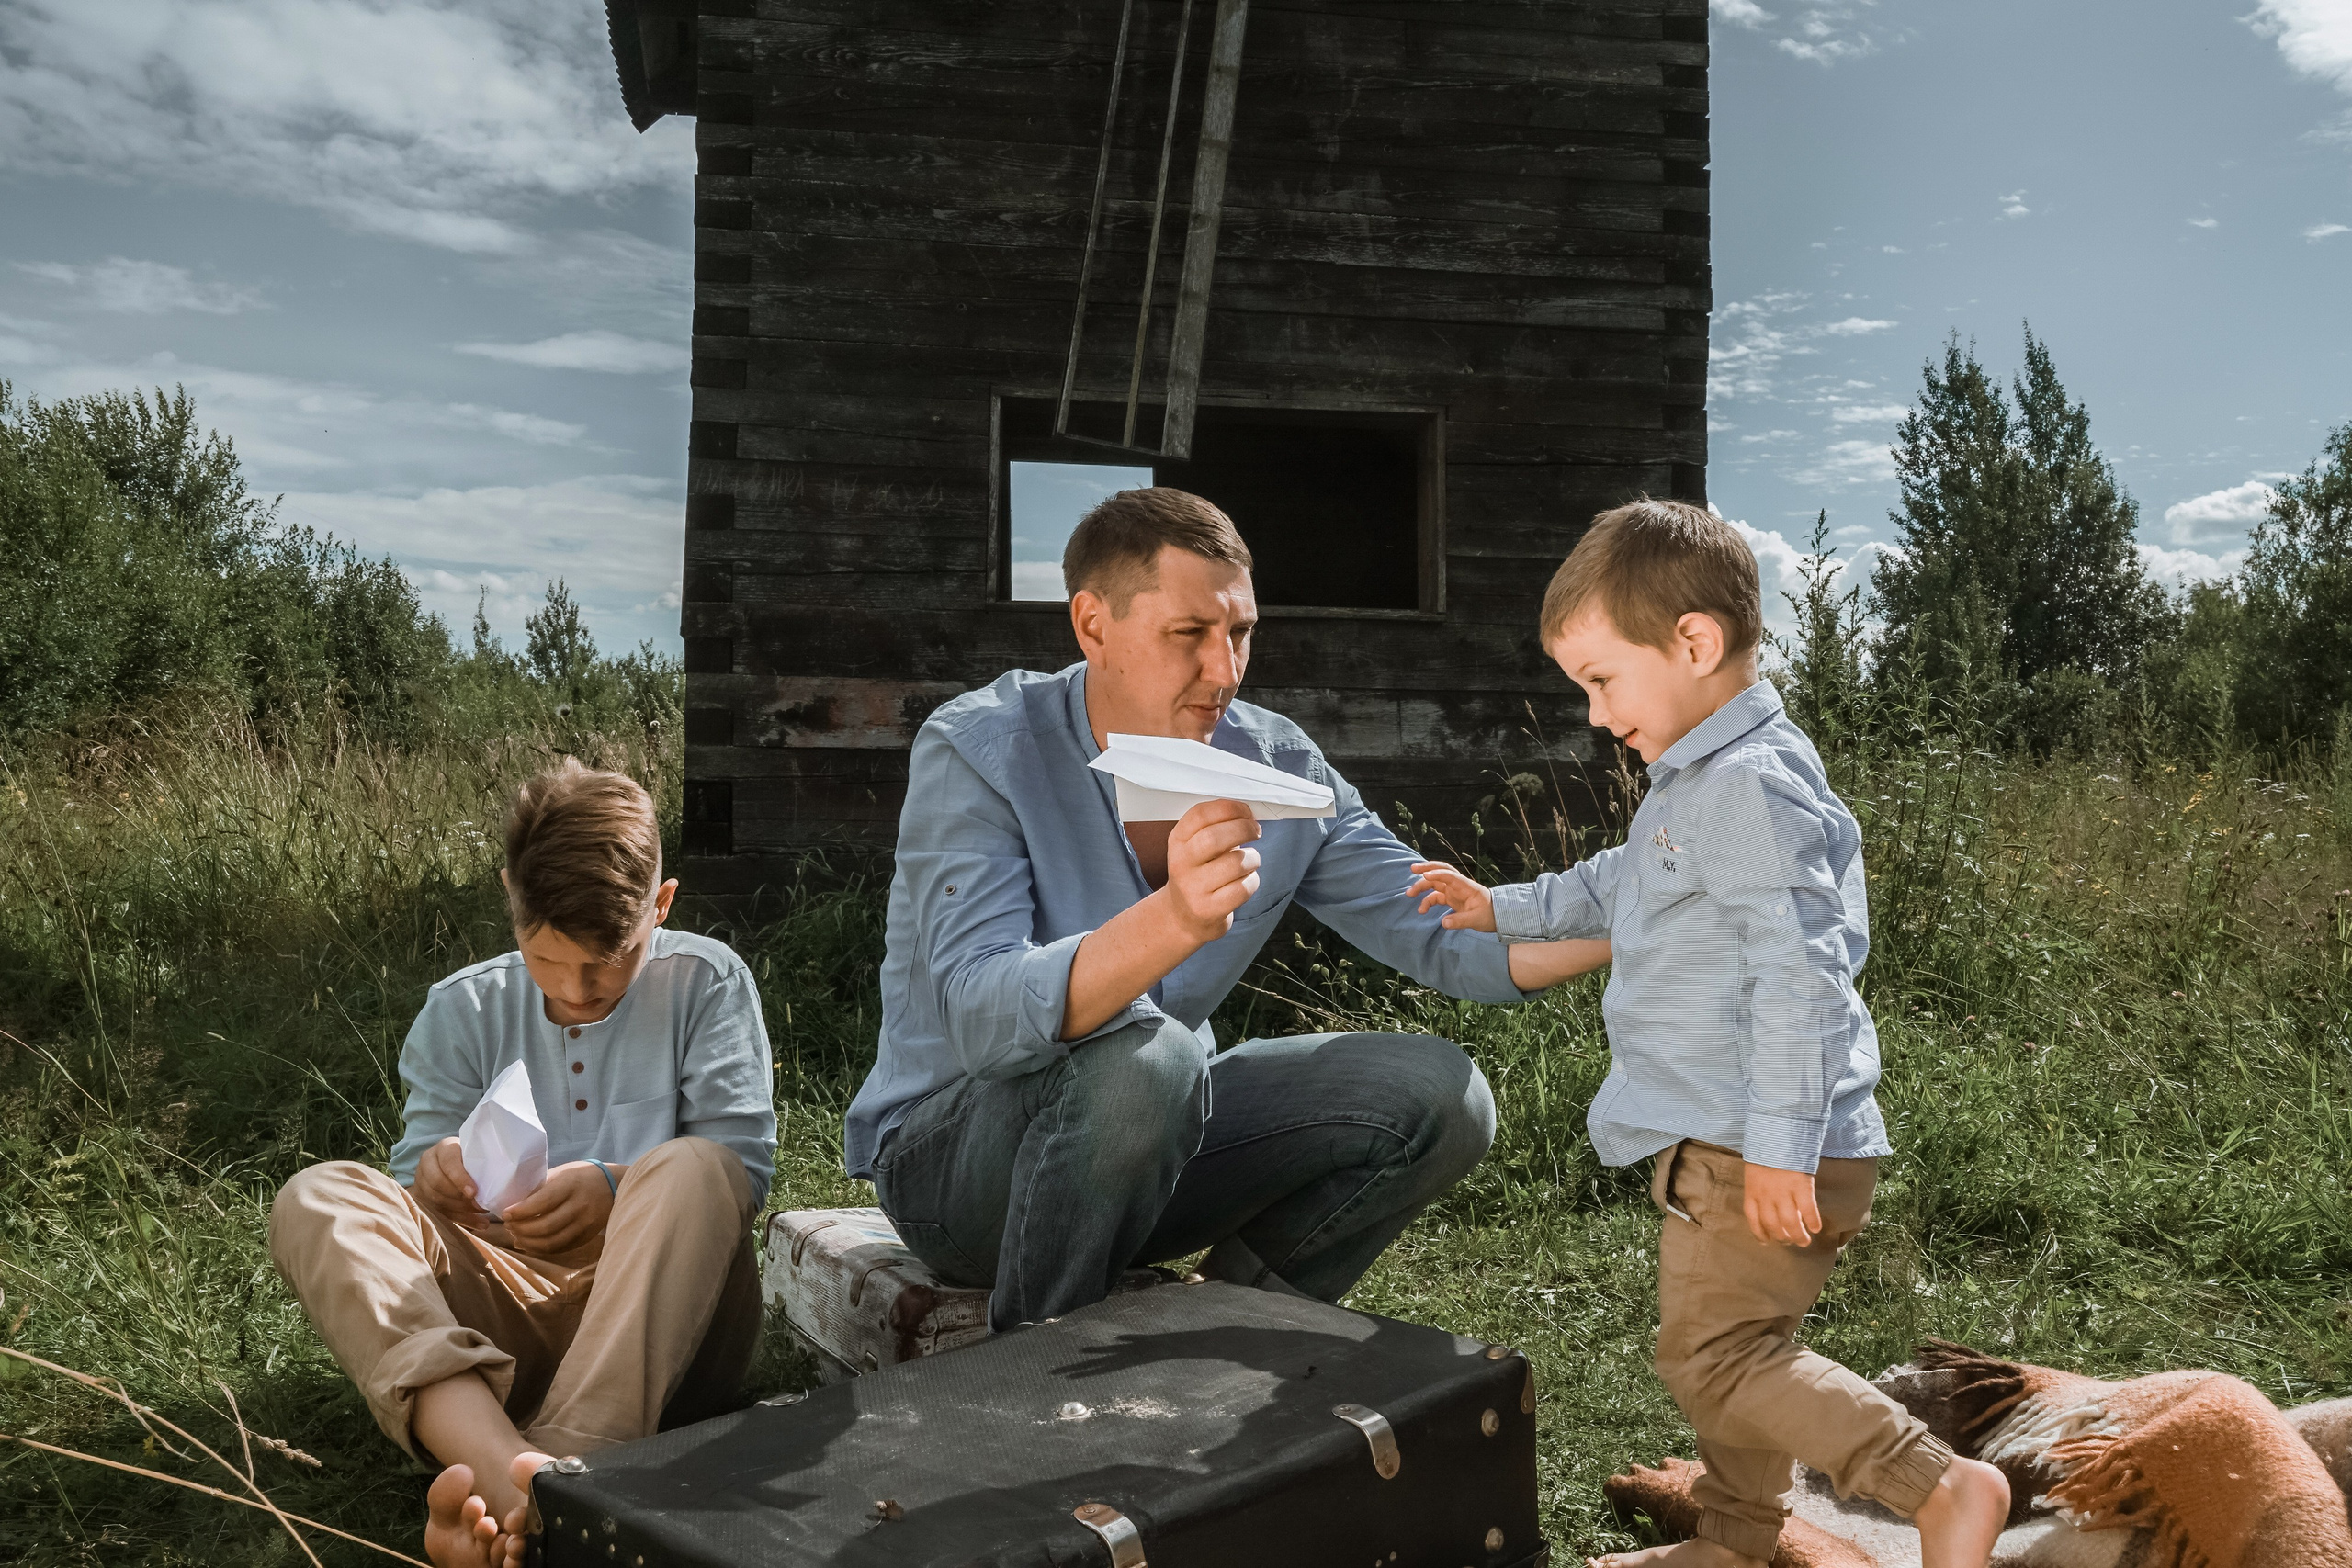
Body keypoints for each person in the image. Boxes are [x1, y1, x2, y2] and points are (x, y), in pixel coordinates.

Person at [1405, 501, 2011, 1568]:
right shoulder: (1697, 782)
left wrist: (1781, 1142)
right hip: (1724, 1139)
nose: (1593, 715)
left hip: (1755, 1144)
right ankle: (1735, 1542)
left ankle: (1942, 1487)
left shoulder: (1742, 786)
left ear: (1693, 642)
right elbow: (1615, 883)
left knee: (1717, 1358)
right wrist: (1501, 904)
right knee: (1732, 1351)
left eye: (1601, 680)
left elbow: (1801, 972)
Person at [845, 487, 1608, 1331]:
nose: (1225, 670)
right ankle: (1038, 1387)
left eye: (1240, 632)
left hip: (1159, 1131)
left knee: (1443, 1095)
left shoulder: (1275, 760)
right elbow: (983, 1021)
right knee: (1149, 1059)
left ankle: (1215, 1330)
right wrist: (1171, 920)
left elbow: (1447, 933)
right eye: (1190, 635)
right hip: (957, 1166)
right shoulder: (980, 750)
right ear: (1093, 625)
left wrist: (1640, 918)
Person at [268, 761, 776, 1568]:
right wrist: (435, 1182)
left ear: (663, 903)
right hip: (498, 1318)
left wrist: (616, 1188)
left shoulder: (706, 984)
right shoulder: (462, 1006)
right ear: (511, 896)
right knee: (317, 1197)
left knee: (695, 1166)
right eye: (549, 960)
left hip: (666, 1321)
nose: (578, 989)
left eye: (610, 960)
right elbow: (408, 1218)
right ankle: (525, 1486)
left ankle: (556, 1479)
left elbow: (742, 1174)